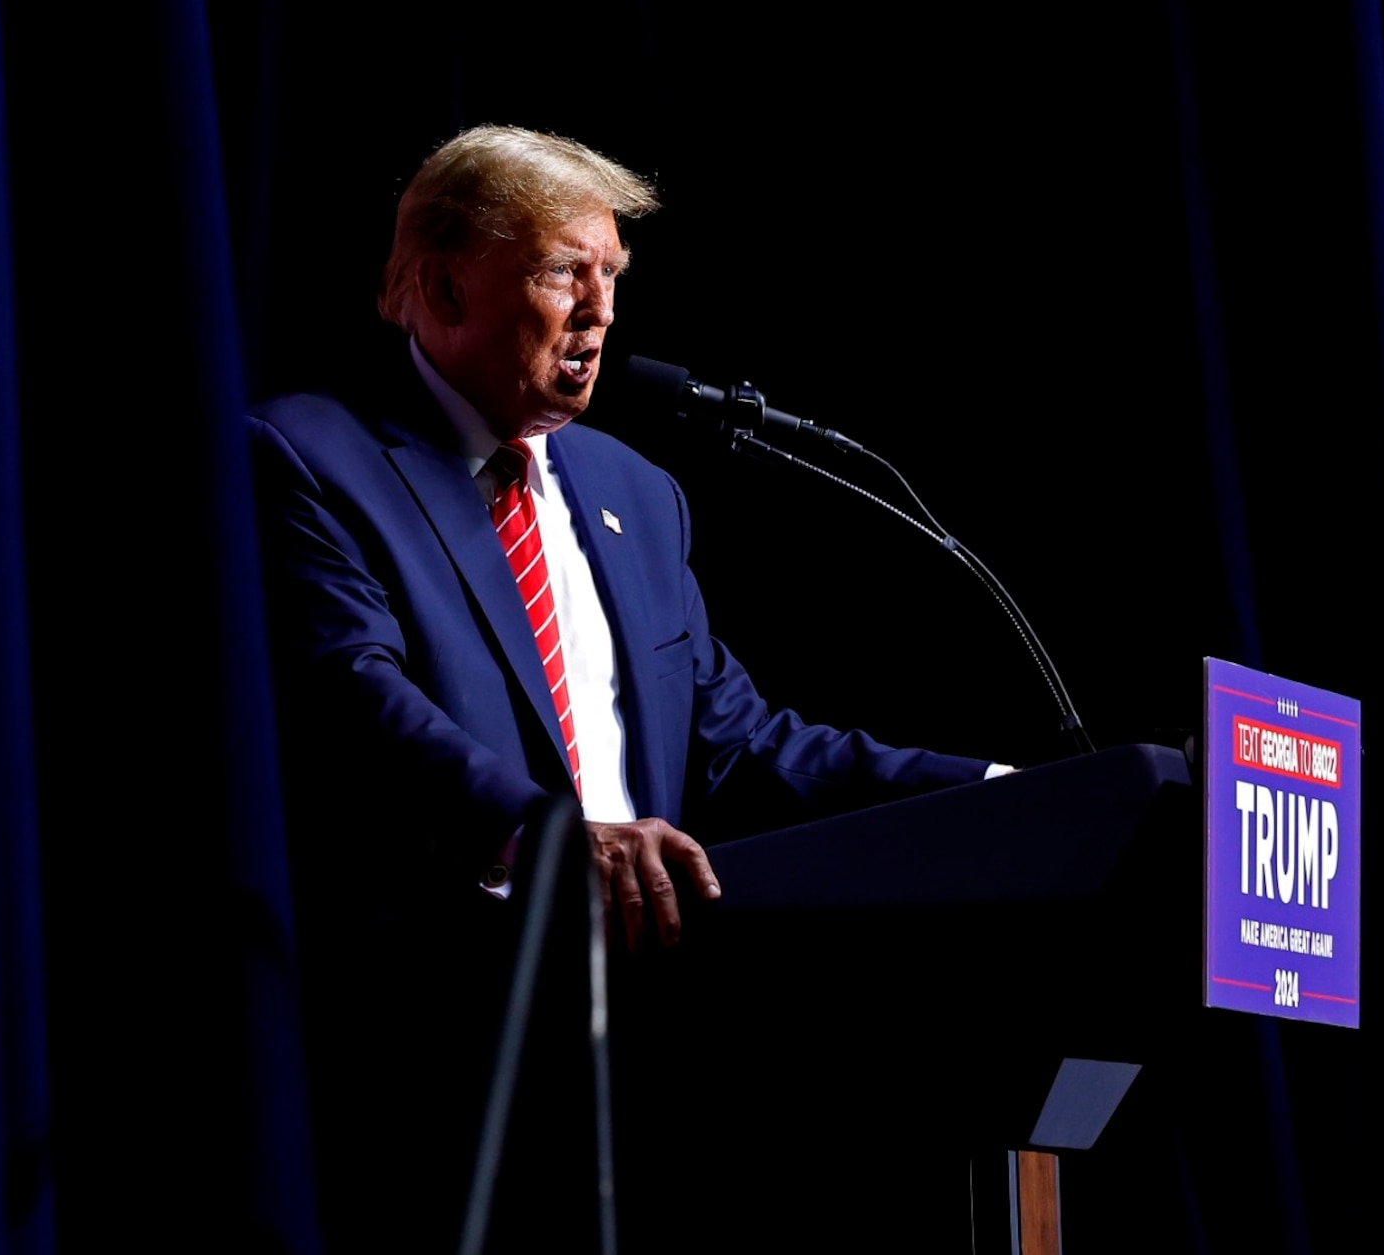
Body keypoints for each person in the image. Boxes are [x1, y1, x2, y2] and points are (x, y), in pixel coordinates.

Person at [249, 124, 992, 1244]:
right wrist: (553, 842)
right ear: (443, 282)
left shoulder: (634, 493)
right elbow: (353, 697)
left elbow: (740, 743)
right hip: (437, 1043)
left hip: (651, 1047)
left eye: (612, 277)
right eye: (563, 272)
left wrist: (995, 790)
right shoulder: (311, 453)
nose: (599, 310)